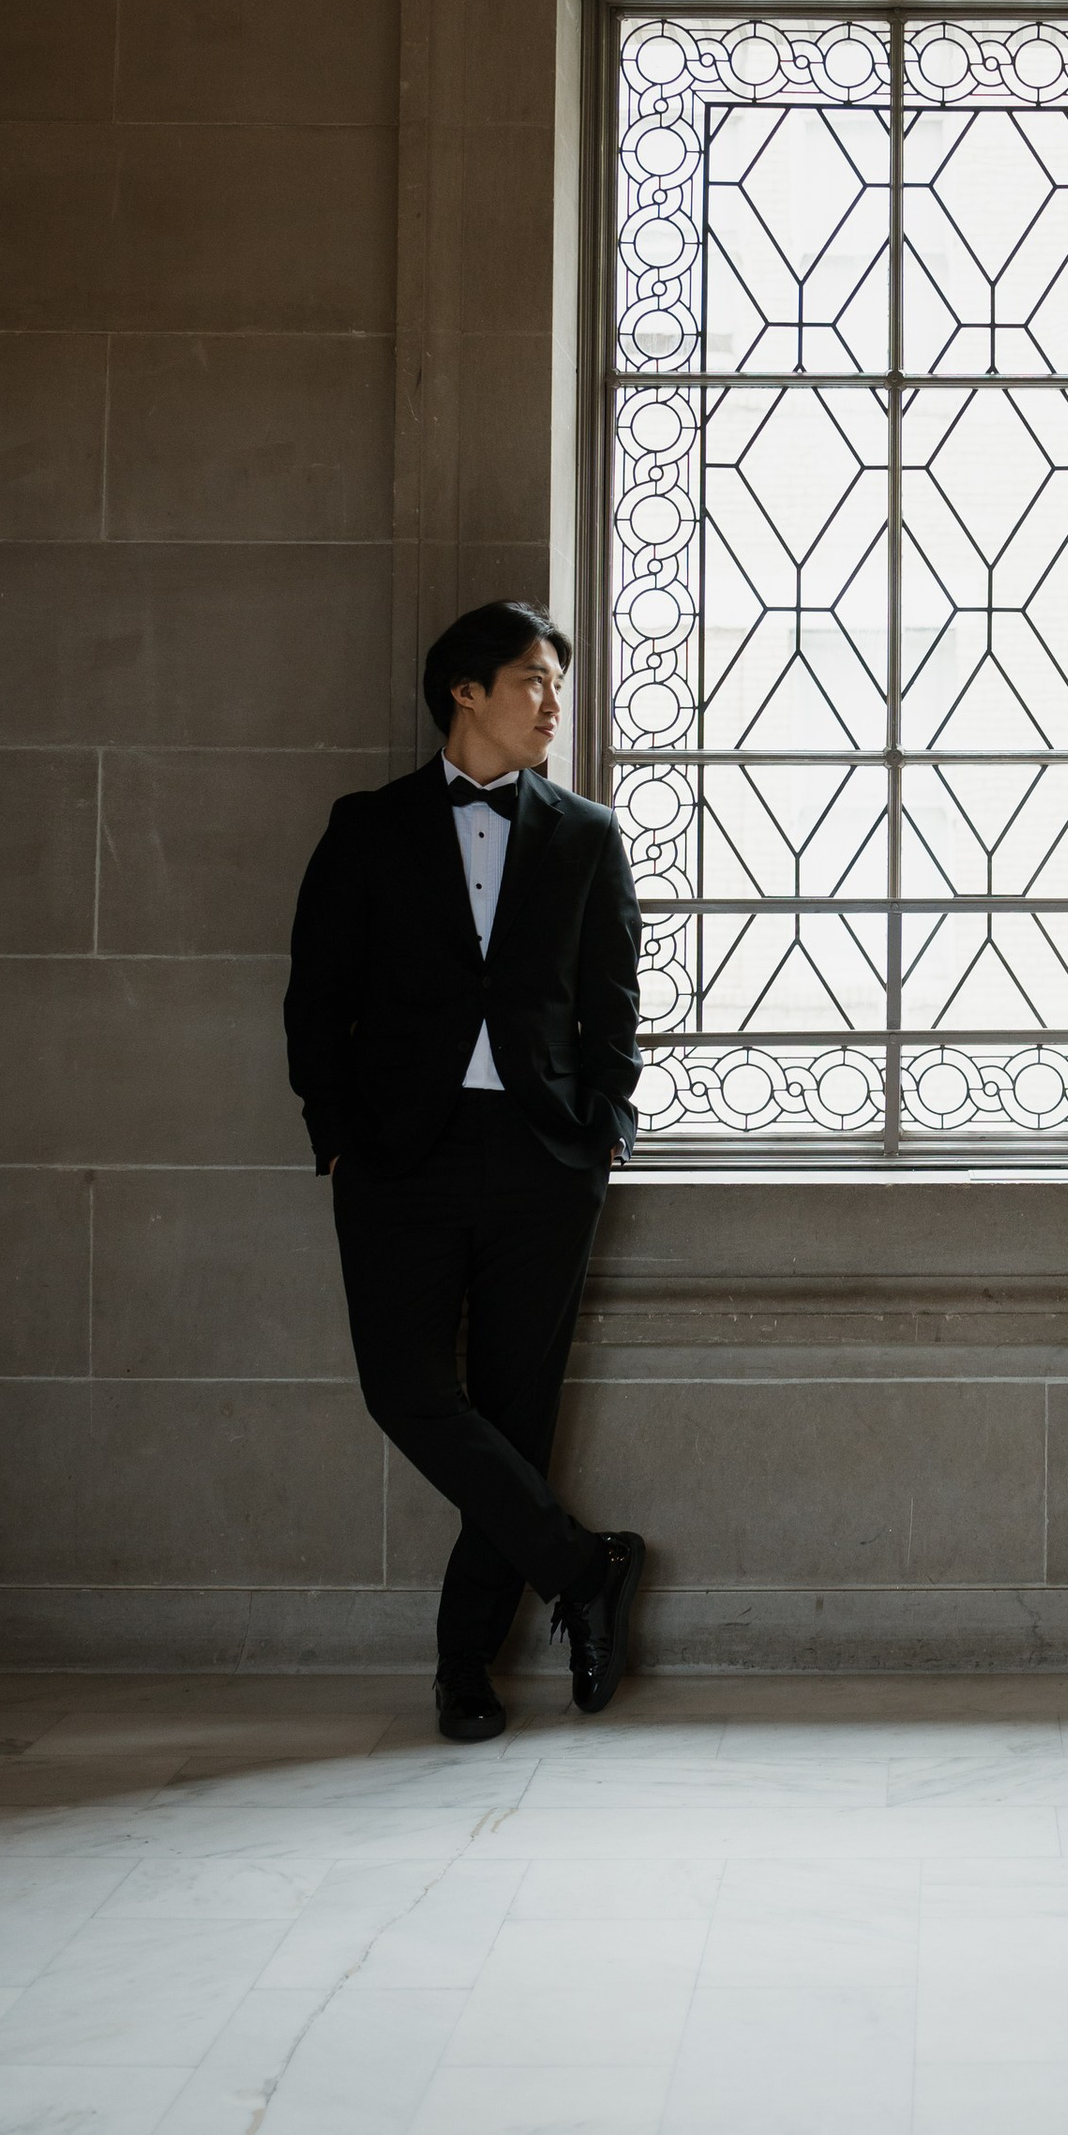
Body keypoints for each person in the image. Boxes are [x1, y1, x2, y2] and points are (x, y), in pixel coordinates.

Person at [285, 599, 647, 1746]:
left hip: (544, 1157)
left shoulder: (586, 835)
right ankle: (586, 1571)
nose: (553, 703)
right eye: (534, 680)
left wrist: (605, 1126)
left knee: (515, 1414)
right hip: (397, 1157)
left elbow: (613, 1004)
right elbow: (315, 996)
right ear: (466, 692)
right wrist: (330, 1127)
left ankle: (463, 1672)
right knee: (406, 1390)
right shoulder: (368, 827)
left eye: (558, 683)